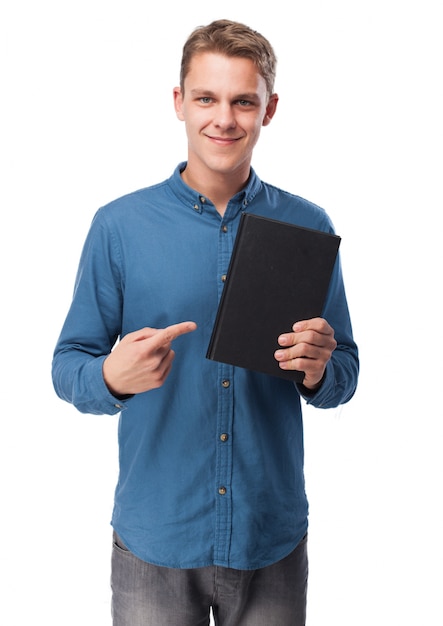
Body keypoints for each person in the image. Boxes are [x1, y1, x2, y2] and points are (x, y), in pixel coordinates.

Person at [52, 19, 359, 626]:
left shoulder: (308, 227)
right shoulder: (119, 226)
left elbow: (345, 371)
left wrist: (320, 370)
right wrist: (110, 377)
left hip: (269, 539)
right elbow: (68, 366)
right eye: (207, 98)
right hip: (156, 541)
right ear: (179, 103)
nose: (224, 118)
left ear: (268, 110)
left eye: (244, 100)